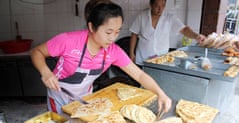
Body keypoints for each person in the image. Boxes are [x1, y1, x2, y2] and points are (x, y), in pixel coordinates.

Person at [30, 2, 172, 114]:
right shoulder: (68, 41)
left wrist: (160, 93)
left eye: (117, 32)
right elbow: (37, 52)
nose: (113, 38)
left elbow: (139, 75)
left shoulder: (113, 51)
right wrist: (46, 72)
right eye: (108, 32)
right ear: (91, 27)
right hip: (60, 97)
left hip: (85, 98)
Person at [129, 0, 206, 66]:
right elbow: (134, 34)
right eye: (157, 6)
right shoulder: (142, 16)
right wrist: (131, 53)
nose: (160, 9)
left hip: (161, 59)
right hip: (143, 58)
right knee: (142, 82)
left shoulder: (170, 18)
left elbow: (184, 29)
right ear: (151, 4)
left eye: (163, 6)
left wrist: (196, 36)